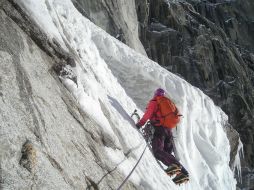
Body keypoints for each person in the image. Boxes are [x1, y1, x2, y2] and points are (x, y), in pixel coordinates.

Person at [135, 88, 189, 184]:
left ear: (155, 94)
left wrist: (139, 124)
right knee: (166, 153)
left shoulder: (155, 102)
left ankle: (175, 166)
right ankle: (183, 173)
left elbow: (147, 115)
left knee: (157, 151)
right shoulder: (168, 104)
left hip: (160, 130)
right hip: (169, 132)